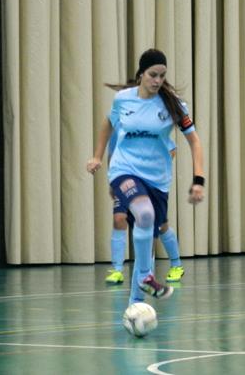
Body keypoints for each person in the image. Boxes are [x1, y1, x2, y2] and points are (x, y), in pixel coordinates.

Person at [87, 48, 205, 305]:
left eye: (162, 76)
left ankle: (135, 306)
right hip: (124, 169)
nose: (158, 81)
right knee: (145, 214)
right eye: (153, 75)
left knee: (148, 240)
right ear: (141, 74)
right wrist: (97, 156)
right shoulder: (123, 99)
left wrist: (199, 180)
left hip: (157, 178)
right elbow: (108, 124)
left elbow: (194, 141)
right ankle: (145, 276)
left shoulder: (173, 105)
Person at [104, 135, 180, 285]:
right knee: (119, 218)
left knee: (160, 226)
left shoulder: (150, 127)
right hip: (126, 181)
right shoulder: (118, 128)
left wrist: (153, 170)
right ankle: (117, 269)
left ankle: (175, 264)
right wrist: (112, 183)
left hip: (151, 184)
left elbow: (171, 150)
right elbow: (112, 155)